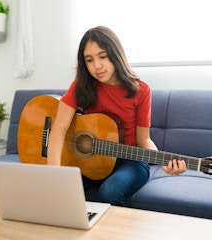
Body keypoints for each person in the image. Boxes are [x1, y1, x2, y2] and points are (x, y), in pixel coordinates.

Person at [47, 26, 187, 206]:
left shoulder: (141, 89)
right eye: (89, 60)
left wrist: (162, 161)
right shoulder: (82, 85)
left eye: (102, 56)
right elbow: (59, 128)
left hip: (131, 162)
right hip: (93, 162)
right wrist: (54, 175)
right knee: (61, 191)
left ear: (115, 54)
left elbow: (143, 140)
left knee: (110, 191)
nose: (97, 66)